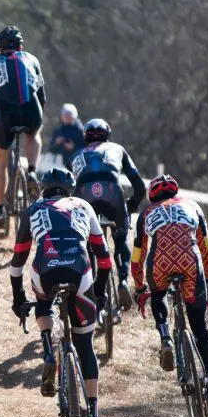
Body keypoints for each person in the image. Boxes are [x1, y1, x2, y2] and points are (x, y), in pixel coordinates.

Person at [10, 168, 110, 417]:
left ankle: (47, 348)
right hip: (80, 270)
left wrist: (18, 300)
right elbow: (104, 259)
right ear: (71, 189)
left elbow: (17, 264)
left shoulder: (33, 210)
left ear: (43, 189)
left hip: (47, 269)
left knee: (42, 301)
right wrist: (99, 294)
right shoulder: (84, 206)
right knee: (85, 345)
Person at [131, 175, 208, 415]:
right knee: (200, 327)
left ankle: (165, 338)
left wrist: (140, 288)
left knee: (158, 295)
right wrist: (207, 281)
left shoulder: (146, 214)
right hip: (190, 263)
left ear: (152, 196)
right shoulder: (193, 206)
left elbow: (137, 256)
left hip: (159, 263)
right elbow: (207, 250)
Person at [68, 118, 146, 310]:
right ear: (108, 136)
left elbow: (68, 187)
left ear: (86, 138)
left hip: (84, 193)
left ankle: (94, 289)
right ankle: (122, 281)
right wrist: (132, 205)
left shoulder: (76, 155)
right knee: (120, 239)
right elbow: (139, 185)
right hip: (113, 192)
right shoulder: (118, 149)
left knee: (88, 243)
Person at [0, 25, 45, 230]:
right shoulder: (32, 59)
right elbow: (42, 94)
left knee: (0, 159)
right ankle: (32, 170)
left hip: (5, 115)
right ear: (21, 45)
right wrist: (40, 114)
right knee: (33, 134)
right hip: (32, 110)